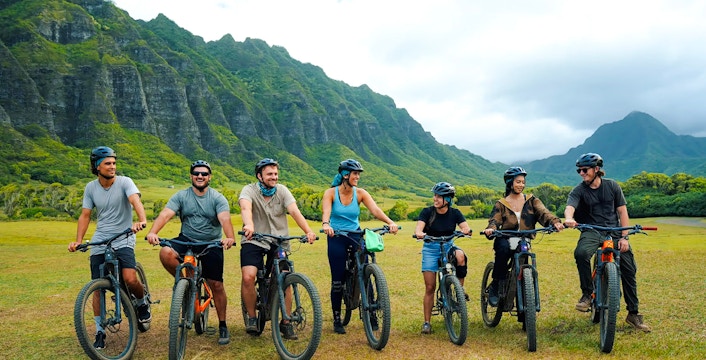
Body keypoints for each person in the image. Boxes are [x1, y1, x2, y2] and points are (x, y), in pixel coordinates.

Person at [68, 146, 150, 350]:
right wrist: (78, 240)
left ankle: (141, 302)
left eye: (114, 163)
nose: (112, 166)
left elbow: (135, 200)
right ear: (97, 166)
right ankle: (99, 331)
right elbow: (85, 215)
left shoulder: (125, 182)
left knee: (130, 278)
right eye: (108, 163)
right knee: (97, 287)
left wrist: (141, 220)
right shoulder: (90, 188)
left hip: (124, 236)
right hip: (100, 238)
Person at [145, 160, 235, 345]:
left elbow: (225, 218)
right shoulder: (181, 196)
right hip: (186, 240)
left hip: (210, 242)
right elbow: (165, 214)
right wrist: (153, 232)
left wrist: (229, 236)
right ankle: (185, 284)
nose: (200, 176)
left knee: (216, 284)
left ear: (209, 177)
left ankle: (223, 324)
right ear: (191, 176)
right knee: (165, 252)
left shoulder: (217, 198)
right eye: (196, 173)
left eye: (204, 174)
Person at [563, 153, 651, 332]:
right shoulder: (579, 190)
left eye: (585, 169)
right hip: (592, 230)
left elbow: (622, 212)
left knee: (629, 270)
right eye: (579, 170)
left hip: (615, 231)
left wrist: (625, 237)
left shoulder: (612, 186)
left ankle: (633, 314)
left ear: (596, 169)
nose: (581, 173)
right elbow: (570, 206)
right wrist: (569, 218)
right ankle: (587, 295)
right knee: (581, 253)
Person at [239, 158, 317, 339]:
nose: (274, 177)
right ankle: (251, 317)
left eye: (275, 174)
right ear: (259, 176)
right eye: (269, 174)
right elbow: (245, 208)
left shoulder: (282, 191)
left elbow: (294, 211)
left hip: (279, 240)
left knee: (285, 277)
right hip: (255, 239)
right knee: (249, 276)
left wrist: (308, 231)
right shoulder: (248, 190)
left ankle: (286, 322)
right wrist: (249, 225)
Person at [321, 159, 399, 334]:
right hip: (337, 236)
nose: (357, 177)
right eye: (355, 174)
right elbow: (326, 211)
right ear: (344, 175)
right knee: (338, 280)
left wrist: (390, 222)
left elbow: (375, 210)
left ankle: (371, 314)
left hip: (355, 235)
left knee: (365, 272)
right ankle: (337, 318)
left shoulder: (361, 193)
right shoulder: (331, 193)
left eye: (358, 174)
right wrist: (326, 224)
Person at [482, 167, 564, 307]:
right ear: (509, 183)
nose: (521, 185)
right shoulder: (501, 203)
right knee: (502, 251)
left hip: (524, 238)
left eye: (523, 182)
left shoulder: (531, 200)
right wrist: (491, 229)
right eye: (518, 182)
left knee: (524, 264)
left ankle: (525, 309)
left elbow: (544, 213)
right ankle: (496, 284)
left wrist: (554, 222)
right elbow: (495, 220)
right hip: (505, 237)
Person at [413, 182, 471, 335]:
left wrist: (466, 230)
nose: (435, 199)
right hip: (431, 249)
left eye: (439, 196)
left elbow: (465, 226)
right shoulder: (427, 212)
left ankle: (459, 290)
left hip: (448, 245)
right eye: (435, 195)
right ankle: (427, 322)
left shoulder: (455, 213)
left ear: (448, 199)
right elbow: (419, 227)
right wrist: (420, 233)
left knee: (460, 256)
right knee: (430, 287)